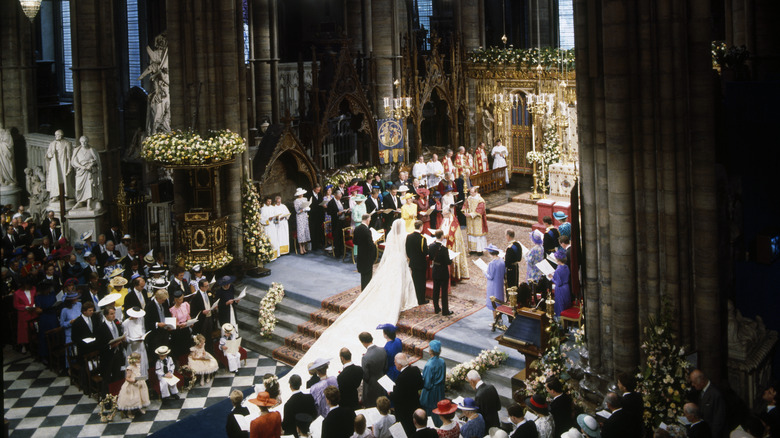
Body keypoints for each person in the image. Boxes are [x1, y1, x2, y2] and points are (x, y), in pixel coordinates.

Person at [390, 352, 424, 436]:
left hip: (404, 411)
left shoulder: (400, 379)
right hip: (415, 404)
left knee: (407, 430)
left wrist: (390, 393)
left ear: (399, 365)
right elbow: (421, 385)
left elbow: (397, 398)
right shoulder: (415, 369)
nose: (394, 364)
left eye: (395, 362)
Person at [688, 369, 725, 438]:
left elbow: (718, 421)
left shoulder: (716, 394)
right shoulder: (700, 391)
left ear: (702, 382)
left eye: (694, 382)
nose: (692, 385)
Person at [71, 135, 102, 209]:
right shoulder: (76, 150)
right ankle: (80, 202)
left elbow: (97, 161)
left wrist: (91, 164)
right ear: (80, 142)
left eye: (85, 142)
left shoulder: (92, 150)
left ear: (87, 142)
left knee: (89, 186)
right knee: (79, 187)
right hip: (80, 171)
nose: (84, 143)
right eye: (82, 142)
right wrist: (83, 167)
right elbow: (74, 161)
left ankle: (89, 203)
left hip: (89, 172)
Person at [116, 352, 150, 419]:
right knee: (132, 398)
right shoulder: (130, 368)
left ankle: (138, 408)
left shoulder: (137, 366)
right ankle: (129, 412)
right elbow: (127, 378)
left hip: (138, 383)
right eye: (139, 359)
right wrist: (133, 380)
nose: (140, 360)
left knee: (140, 396)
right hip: (132, 385)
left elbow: (137, 373)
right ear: (135, 360)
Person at [420, 340, 446, 426]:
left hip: (431, 392)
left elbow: (427, 384)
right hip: (440, 390)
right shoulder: (442, 362)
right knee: (439, 408)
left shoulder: (429, 365)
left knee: (431, 411)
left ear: (431, 351)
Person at [358, 331, 387, 408]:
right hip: (382, 381)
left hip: (371, 386)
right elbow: (385, 366)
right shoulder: (382, 350)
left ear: (363, 342)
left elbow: (366, 376)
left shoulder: (365, 358)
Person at [429, 230, 453, 315]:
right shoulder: (444, 249)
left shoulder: (431, 246)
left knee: (435, 290)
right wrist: (451, 259)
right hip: (443, 271)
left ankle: (436, 308)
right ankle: (445, 311)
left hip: (435, 270)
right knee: (444, 292)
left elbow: (431, 258)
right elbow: (447, 262)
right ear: (442, 236)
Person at [45, 130, 73, 203]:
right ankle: (55, 195)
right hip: (55, 165)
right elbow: (48, 154)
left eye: (57, 135)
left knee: (64, 179)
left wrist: (69, 167)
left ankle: (65, 195)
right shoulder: (52, 144)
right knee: (55, 179)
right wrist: (51, 154)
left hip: (64, 164)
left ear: (61, 135)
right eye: (55, 135)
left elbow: (70, 156)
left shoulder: (67, 143)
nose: (56, 136)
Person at [405, 220, 429, 306]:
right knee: (421, 282)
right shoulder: (422, 238)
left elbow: (407, 251)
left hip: (413, 262)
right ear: (421, 227)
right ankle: (421, 300)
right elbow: (426, 252)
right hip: (421, 264)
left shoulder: (409, 236)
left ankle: (414, 297)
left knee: (414, 281)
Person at [13, 277, 37, 353]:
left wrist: (34, 305)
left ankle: (34, 344)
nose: (28, 286)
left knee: (34, 328)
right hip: (24, 314)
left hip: (33, 312)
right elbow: (16, 305)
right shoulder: (17, 293)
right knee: (24, 330)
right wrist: (25, 307)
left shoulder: (34, 289)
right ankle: (24, 345)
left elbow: (36, 298)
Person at [123, 307, 149, 378]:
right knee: (134, 366)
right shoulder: (126, 323)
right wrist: (132, 340)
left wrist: (142, 336)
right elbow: (125, 338)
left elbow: (143, 329)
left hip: (141, 346)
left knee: (142, 364)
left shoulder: (141, 319)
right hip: (133, 348)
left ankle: (143, 381)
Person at [483, 244, 506, 322]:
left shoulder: (492, 263)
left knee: (494, 304)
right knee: (499, 302)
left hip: (493, 286)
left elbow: (490, 276)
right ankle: (500, 318)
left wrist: (484, 272)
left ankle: (495, 320)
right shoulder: (502, 260)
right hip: (500, 284)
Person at [353, 214, 377, 290]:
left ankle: (363, 290)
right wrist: (374, 244)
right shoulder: (367, 231)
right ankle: (366, 292)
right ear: (367, 220)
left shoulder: (357, 228)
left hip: (360, 255)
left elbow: (355, 242)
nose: (369, 222)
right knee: (368, 277)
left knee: (363, 276)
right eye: (369, 220)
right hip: (367, 256)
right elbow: (370, 245)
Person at [463, 187, 488, 253]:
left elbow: (480, 210)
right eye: (470, 192)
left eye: (472, 192)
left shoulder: (480, 200)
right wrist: (465, 211)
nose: (470, 193)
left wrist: (470, 214)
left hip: (477, 220)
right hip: (470, 220)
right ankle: (472, 249)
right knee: (471, 234)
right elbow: (465, 206)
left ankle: (479, 250)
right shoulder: (468, 198)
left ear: (476, 192)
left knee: (477, 235)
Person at [548, 249, 571, 317]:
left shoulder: (558, 270)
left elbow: (558, 283)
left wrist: (552, 277)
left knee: (560, 305)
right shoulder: (566, 267)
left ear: (558, 260)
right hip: (566, 288)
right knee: (566, 305)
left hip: (560, 289)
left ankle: (560, 321)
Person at [169, 289, 192, 357]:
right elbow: (174, 323)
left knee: (188, 347)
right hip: (178, 331)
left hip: (186, 328)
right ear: (175, 300)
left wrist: (190, 322)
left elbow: (188, 315)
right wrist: (179, 325)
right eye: (179, 300)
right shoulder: (172, 310)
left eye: (182, 299)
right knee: (180, 350)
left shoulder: (185, 305)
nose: (181, 301)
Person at [328, 190, 350, 258]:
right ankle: (337, 253)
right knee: (337, 237)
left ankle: (343, 251)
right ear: (336, 195)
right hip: (336, 222)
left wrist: (346, 211)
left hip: (342, 221)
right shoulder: (331, 202)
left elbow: (342, 209)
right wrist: (337, 213)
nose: (341, 196)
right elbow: (329, 212)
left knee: (342, 237)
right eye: (340, 195)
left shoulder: (340, 201)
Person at [294, 188, 312, 254]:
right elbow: (297, 211)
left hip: (305, 216)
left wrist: (307, 208)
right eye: (300, 194)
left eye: (301, 194)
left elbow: (307, 205)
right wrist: (303, 209)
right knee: (301, 232)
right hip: (300, 217)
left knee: (305, 231)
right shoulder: (296, 201)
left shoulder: (305, 199)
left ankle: (304, 248)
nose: (301, 195)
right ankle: (301, 248)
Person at [310, 184, 326, 251]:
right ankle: (314, 246)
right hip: (313, 216)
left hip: (319, 215)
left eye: (319, 190)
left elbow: (321, 202)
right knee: (313, 230)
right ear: (314, 189)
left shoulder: (320, 195)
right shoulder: (310, 195)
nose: (318, 191)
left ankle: (319, 243)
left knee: (319, 230)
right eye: (317, 190)